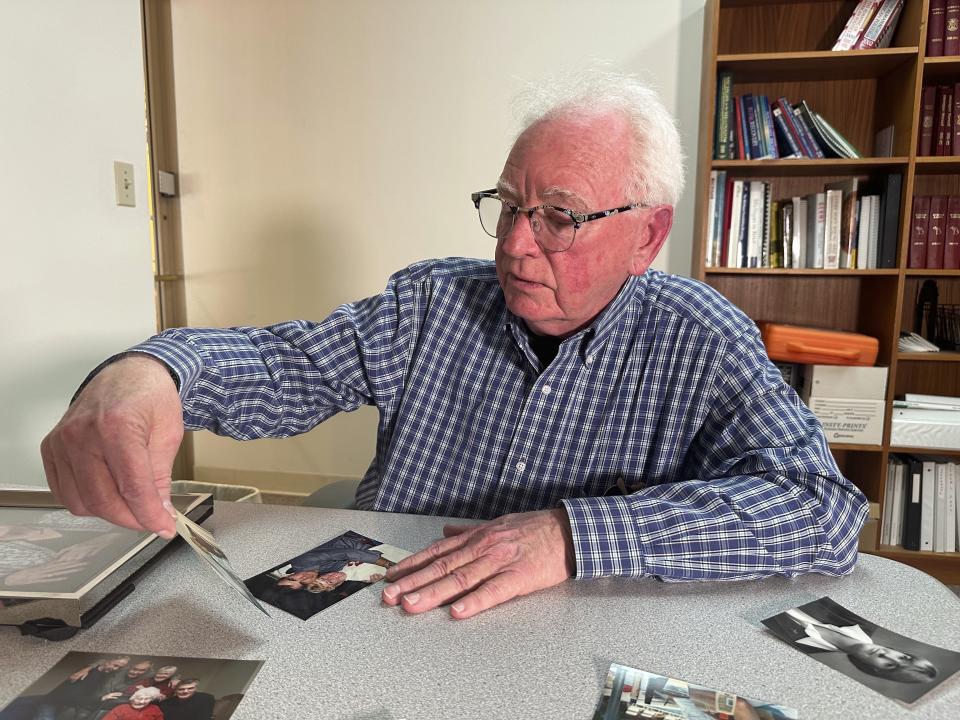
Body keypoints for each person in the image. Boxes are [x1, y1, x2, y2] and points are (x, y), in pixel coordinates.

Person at [41, 70, 868, 619]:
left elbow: (822, 510)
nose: (513, 245)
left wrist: (572, 536)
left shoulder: (700, 335)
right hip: (379, 616)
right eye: (508, 205)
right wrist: (152, 370)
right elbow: (282, 365)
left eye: (560, 217)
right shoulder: (432, 301)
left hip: (568, 644)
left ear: (648, 236)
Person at [783, 607, 937, 684]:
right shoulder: (862, 622)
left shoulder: (809, 654)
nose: (887, 655)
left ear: (874, 670)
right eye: (904, 657)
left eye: (890, 665)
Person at [33, 657, 129, 720]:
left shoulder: (104, 675)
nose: (115, 669)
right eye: (115, 665)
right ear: (108, 660)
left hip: (63, 705)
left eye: (118, 668)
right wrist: (101, 698)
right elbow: (74, 696)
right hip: (52, 701)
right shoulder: (86, 673)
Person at [98, 688, 163, 720]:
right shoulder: (122, 708)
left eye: (146, 699)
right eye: (139, 699)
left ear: (151, 700)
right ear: (133, 698)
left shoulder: (155, 709)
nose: (142, 702)